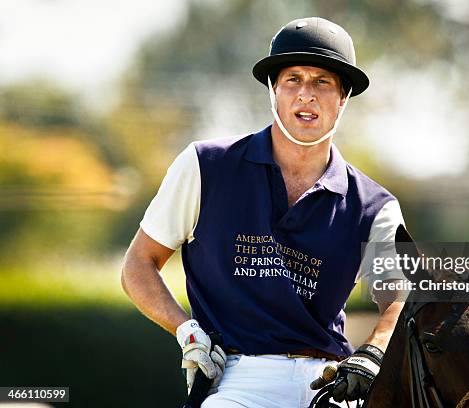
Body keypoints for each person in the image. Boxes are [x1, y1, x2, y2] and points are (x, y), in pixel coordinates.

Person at [121, 16, 406, 408]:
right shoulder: (205, 166)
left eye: (322, 82)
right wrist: (186, 330)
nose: (306, 94)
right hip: (237, 379)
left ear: (343, 98)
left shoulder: (375, 206)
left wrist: (373, 351)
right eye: (293, 79)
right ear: (273, 90)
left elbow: (398, 298)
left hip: (329, 381)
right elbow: (139, 263)